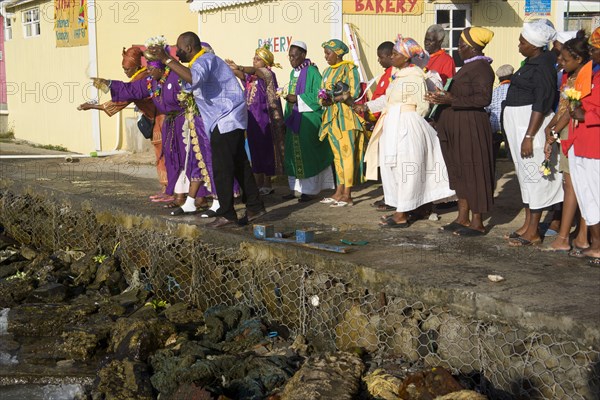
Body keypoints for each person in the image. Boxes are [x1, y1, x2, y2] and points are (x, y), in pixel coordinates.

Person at [147, 32, 265, 228]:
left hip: (225, 118)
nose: (178, 55)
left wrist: (166, 60)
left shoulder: (203, 60)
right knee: (239, 164)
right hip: (229, 118)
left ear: (189, 48)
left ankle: (227, 213)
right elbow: (189, 84)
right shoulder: (202, 61)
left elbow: (193, 80)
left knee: (222, 168)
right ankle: (255, 206)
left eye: (179, 50)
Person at [93, 50, 216, 216]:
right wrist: (108, 84)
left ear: (162, 68)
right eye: (148, 68)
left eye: (151, 69)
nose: (148, 72)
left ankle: (200, 198)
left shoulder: (176, 77)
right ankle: (179, 196)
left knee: (191, 160)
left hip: (185, 122)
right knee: (173, 161)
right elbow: (131, 89)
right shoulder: (151, 82)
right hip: (169, 124)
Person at [355, 35, 455, 228]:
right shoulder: (398, 75)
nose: (391, 57)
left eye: (395, 53)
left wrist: (406, 119)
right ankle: (409, 207)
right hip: (394, 123)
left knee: (407, 169)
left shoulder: (415, 75)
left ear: (407, 56)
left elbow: (422, 104)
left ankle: (402, 214)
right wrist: (367, 107)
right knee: (396, 168)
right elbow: (388, 99)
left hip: (406, 125)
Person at [425, 27, 496, 237]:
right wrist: (441, 97)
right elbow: (459, 94)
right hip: (457, 127)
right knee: (460, 173)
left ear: (472, 47)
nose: (459, 49)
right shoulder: (467, 67)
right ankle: (462, 217)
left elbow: (484, 99)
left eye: (461, 45)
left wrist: (451, 99)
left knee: (474, 172)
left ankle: (477, 222)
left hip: (471, 127)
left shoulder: (482, 68)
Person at [78, 47, 168, 201]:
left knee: (163, 157)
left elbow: (123, 98)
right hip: (157, 120)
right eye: (123, 69)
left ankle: (169, 190)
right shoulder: (142, 77)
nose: (125, 72)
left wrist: (92, 106)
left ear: (138, 66)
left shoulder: (143, 79)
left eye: (127, 69)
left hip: (161, 121)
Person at [503, 20, 563, 246]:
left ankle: (534, 232)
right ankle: (528, 224)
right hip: (521, 126)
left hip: (531, 128)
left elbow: (542, 102)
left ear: (535, 44)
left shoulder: (544, 66)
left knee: (535, 177)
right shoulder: (532, 61)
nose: (519, 45)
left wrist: (529, 136)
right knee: (525, 177)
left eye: (522, 41)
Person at [542, 32, 591, 253]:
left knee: (575, 186)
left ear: (579, 59)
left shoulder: (584, 78)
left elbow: (573, 112)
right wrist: (552, 128)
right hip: (567, 132)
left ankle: (566, 237)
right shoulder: (570, 76)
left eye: (564, 59)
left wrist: (555, 128)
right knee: (574, 185)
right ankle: (580, 235)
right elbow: (565, 109)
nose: (559, 62)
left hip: (578, 135)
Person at [225, 45, 286, 196]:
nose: (254, 61)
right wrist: (230, 68)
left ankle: (267, 182)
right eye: (254, 58)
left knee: (266, 151)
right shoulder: (251, 78)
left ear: (266, 62)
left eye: (258, 59)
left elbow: (255, 71)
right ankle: (258, 182)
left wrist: (239, 66)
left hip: (265, 119)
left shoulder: (267, 74)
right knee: (254, 150)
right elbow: (241, 74)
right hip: (252, 120)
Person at [563, 27, 600, 266]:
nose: (592, 53)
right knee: (587, 195)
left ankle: (597, 246)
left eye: (595, 50)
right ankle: (595, 245)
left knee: (595, 195)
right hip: (580, 141)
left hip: (594, 143)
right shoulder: (592, 73)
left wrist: (586, 115)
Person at [281, 41, 335, 202]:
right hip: (294, 119)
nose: (291, 60)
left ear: (303, 55)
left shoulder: (312, 71)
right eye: (289, 56)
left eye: (294, 56)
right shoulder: (293, 73)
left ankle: (310, 190)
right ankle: (295, 188)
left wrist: (297, 99)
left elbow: (320, 95)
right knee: (293, 153)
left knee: (308, 155)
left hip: (308, 119)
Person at [319, 39, 367, 207]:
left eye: (328, 53)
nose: (325, 56)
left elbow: (354, 91)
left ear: (338, 53)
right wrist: (323, 101)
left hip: (346, 117)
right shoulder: (325, 72)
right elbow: (322, 93)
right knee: (337, 156)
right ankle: (338, 192)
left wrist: (333, 98)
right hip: (331, 117)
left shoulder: (349, 68)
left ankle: (348, 194)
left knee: (347, 155)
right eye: (325, 53)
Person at [368, 41, 395, 212]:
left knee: (391, 162)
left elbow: (386, 99)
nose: (379, 60)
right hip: (380, 120)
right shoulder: (386, 75)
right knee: (384, 163)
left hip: (392, 121)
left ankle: (392, 198)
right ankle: (388, 195)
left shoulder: (396, 75)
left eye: (381, 57)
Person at [485, 64, 513, 165]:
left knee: (493, 154)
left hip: (495, 126)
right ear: (512, 76)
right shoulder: (514, 90)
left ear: (499, 78)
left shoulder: (494, 92)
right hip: (510, 126)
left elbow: (487, 109)